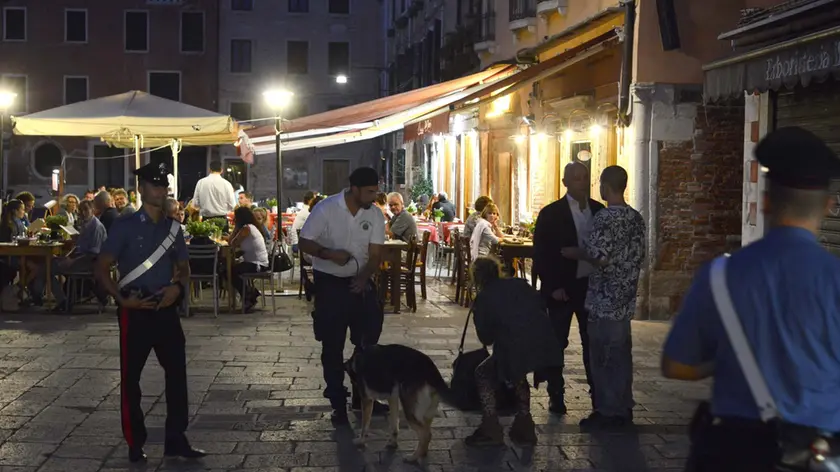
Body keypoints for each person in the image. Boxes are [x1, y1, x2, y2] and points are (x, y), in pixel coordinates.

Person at [663, 127, 840, 469]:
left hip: (735, 452)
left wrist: (726, 361)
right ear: (829, 206)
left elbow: (676, 365)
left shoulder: (718, 275)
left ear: (766, 202)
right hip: (818, 453)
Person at [94, 161, 205, 464]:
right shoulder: (125, 226)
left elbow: (184, 268)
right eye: (155, 185)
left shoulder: (174, 228)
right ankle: (134, 442)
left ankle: (176, 439)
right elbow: (102, 267)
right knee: (131, 379)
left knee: (178, 376)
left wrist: (178, 289)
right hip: (135, 308)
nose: (161, 190)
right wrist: (120, 299)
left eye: (164, 185)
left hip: (165, 308)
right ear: (142, 189)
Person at [298, 167, 386, 425]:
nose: (373, 197)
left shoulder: (376, 215)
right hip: (330, 284)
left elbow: (376, 254)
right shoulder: (326, 209)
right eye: (369, 192)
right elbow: (304, 242)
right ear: (355, 189)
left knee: (368, 341)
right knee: (332, 344)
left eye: (375, 192)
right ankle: (337, 399)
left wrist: (364, 277)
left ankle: (363, 395)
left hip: (360, 282)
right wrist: (328, 254)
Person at [560, 165, 645, 430]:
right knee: (621, 357)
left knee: (603, 358)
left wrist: (576, 253)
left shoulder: (605, 219)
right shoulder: (636, 218)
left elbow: (599, 257)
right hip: (625, 299)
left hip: (603, 300)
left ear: (606, 187)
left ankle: (607, 411)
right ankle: (623, 408)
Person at [465, 256, 563, 447]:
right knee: (518, 373)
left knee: (483, 374)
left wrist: (479, 314)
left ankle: (491, 427)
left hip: (516, 346)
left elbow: (487, 339)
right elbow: (539, 305)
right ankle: (524, 425)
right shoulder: (519, 284)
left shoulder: (484, 297)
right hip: (544, 341)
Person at [532, 162, 604, 415]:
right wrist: (552, 287)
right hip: (562, 288)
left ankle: (598, 395)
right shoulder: (551, 213)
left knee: (592, 343)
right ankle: (556, 394)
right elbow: (541, 253)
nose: (581, 183)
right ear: (565, 182)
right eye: (575, 178)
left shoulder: (599, 211)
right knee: (556, 343)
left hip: (590, 288)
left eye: (585, 178)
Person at [31, 200, 106, 312]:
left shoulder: (96, 227)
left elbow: (93, 253)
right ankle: (57, 299)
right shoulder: (86, 224)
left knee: (47, 268)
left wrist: (72, 261)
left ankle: (43, 295)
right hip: (80, 258)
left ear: (93, 210)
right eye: (81, 210)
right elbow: (81, 247)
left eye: (86, 210)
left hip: (89, 262)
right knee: (48, 265)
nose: (83, 213)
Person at [229, 206, 269, 312]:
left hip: (257, 264)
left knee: (230, 271)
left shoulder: (247, 228)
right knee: (230, 269)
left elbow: (232, 242)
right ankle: (251, 292)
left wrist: (235, 228)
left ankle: (248, 295)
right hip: (257, 263)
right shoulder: (251, 227)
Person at [193, 160, 236, 232]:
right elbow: (232, 205)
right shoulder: (227, 184)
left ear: (210, 169)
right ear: (221, 170)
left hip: (206, 219)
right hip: (222, 219)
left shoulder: (201, 182)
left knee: (207, 242)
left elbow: (195, 203)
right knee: (223, 242)